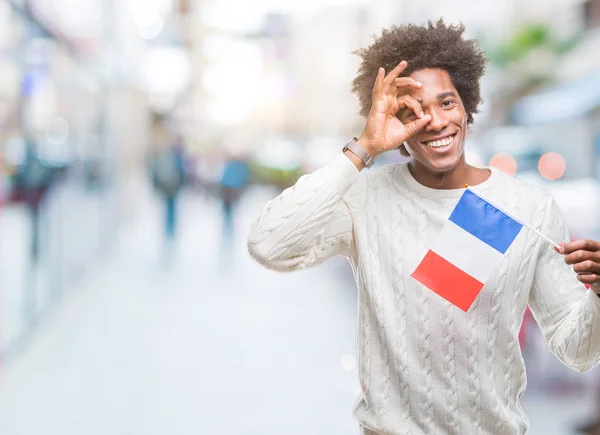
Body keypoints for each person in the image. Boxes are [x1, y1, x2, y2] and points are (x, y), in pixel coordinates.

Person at [247, 19, 600, 434]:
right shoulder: (366, 198)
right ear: (393, 124)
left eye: (447, 103)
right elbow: (268, 244)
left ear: (467, 106)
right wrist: (363, 149)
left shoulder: (527, 208)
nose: (434, 121)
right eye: (412, 111)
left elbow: (577, 350)